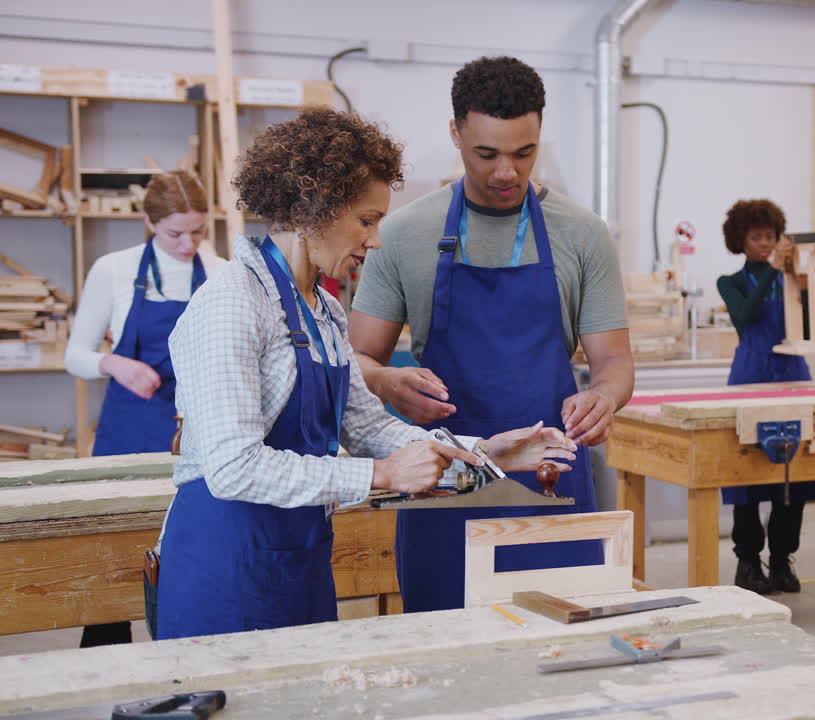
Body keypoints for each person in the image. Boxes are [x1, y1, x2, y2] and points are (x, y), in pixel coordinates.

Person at [155, 108, 575, 640]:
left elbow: (370, 429)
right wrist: (380, 476)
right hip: (223, 569)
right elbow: (234, 467)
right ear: (314, 209)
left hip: (297, 559)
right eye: (367, 219)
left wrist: (484, 453)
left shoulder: (325, 311)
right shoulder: (232, 305)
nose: (375, 240)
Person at [349, 56, 633, 612]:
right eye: (487, 154)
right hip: (444, 476)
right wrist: (384, 381)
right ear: (455, 133)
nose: (506, 171)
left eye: (523, 153)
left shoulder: (583, 234)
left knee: (561, 643)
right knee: (442, 646)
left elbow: (614, 362)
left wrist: (603, 397)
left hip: (552, 479)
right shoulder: (405, 233)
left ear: (539, 136)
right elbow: (354, 359)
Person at [64, 169, 226, 647]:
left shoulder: (219, 272)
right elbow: (76, 355)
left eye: (198, 231)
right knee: (110, 567)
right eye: (175, 233)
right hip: (126, 435)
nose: (187, 244)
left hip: (195, 440)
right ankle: (107, 668)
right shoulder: (114, 270)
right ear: (149, 223)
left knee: (190, 562)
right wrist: (116, 364)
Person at [716, 199, 815, 595]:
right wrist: (773, 270)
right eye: (756, 237)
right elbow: (744, 317)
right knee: (745, 476)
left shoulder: (791, 280)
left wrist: (806, 278)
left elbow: (813, 327)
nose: (764, 243)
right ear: (741, 241)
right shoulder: (729, 282)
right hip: (750, 378)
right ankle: (748, 562)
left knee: (793, 479)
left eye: (770, 236)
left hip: (793, 377)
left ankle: (782, 559)